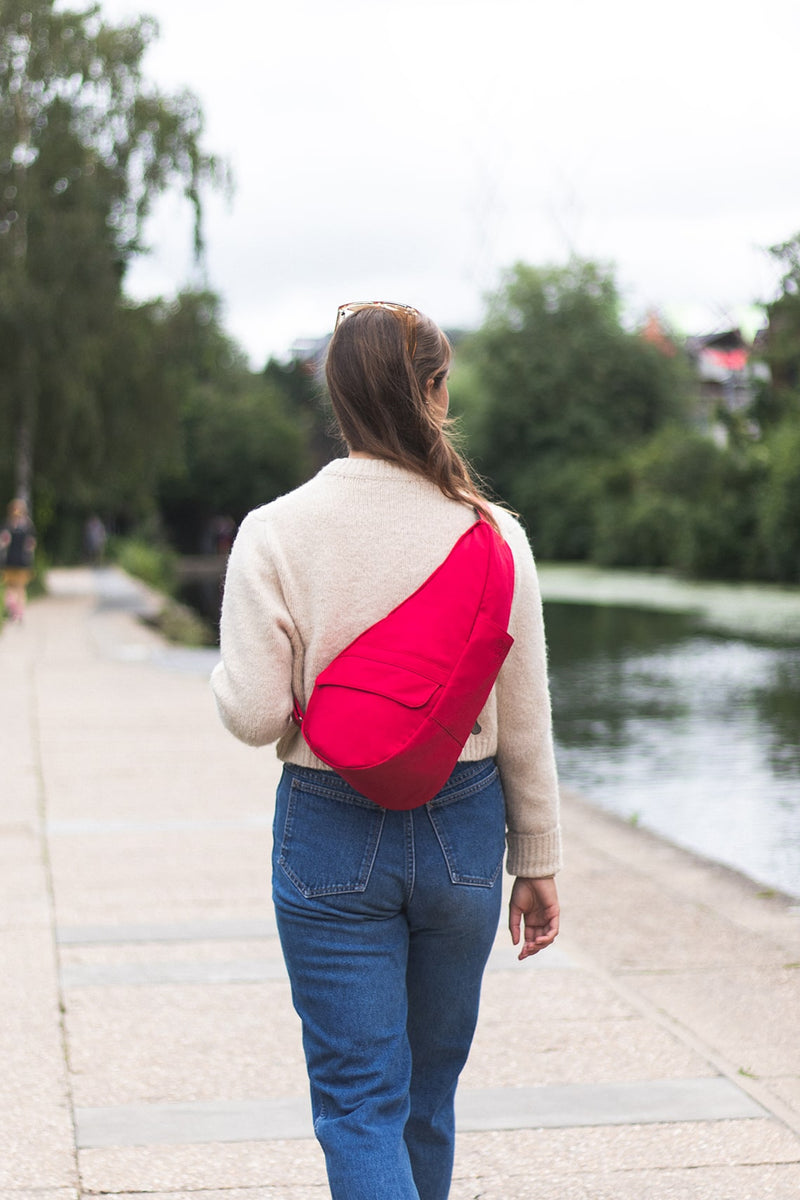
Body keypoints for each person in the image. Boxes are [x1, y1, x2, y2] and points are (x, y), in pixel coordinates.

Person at [211, 301, 561, 1200]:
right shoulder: (496, 536)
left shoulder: (275, 531)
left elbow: (252, 714)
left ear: (338, 399)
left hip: (329, 828)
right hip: (467, 831)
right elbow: (525, 718)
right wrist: (539, 860)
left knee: (360, 1106)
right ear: (437, 394)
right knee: (426, 1100)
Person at [1, 498, 37, 624]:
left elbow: (31, 544)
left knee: (19, 588)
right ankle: (14, 610)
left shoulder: (25, 526)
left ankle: (18, 611)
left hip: (21, 561)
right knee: (12, 588)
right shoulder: (11, 525)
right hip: (11, 561)